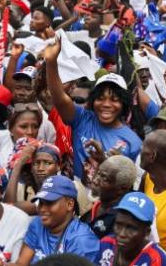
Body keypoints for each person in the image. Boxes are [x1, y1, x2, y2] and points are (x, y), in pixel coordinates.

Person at [44, 33, 141, 187]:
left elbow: (133, 187)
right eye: (101, 98)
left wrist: (108, 163)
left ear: (124, 104)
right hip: (77, 204)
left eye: (114, 99)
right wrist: (50, 61)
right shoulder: (83, 119)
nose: (106, 104)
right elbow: (60, 99)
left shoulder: (133, 142)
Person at [12, 175, 101, 266]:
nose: (42, 209)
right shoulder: (38, 223)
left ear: (70, 204)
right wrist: (2, 265)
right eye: (41, 203)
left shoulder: (81, 240)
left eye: (49, 203)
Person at [97, 192, 166, 266]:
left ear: (146, 231)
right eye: (118, 225)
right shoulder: (107, 244)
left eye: (131, 229)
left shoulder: (154, 258)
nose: (122, 234)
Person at [87, 155, 139, 238]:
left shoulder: (121, 219)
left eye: (104, 179)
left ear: (121, 189)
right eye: (98, 174)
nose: (95, 181)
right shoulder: (93, 205)